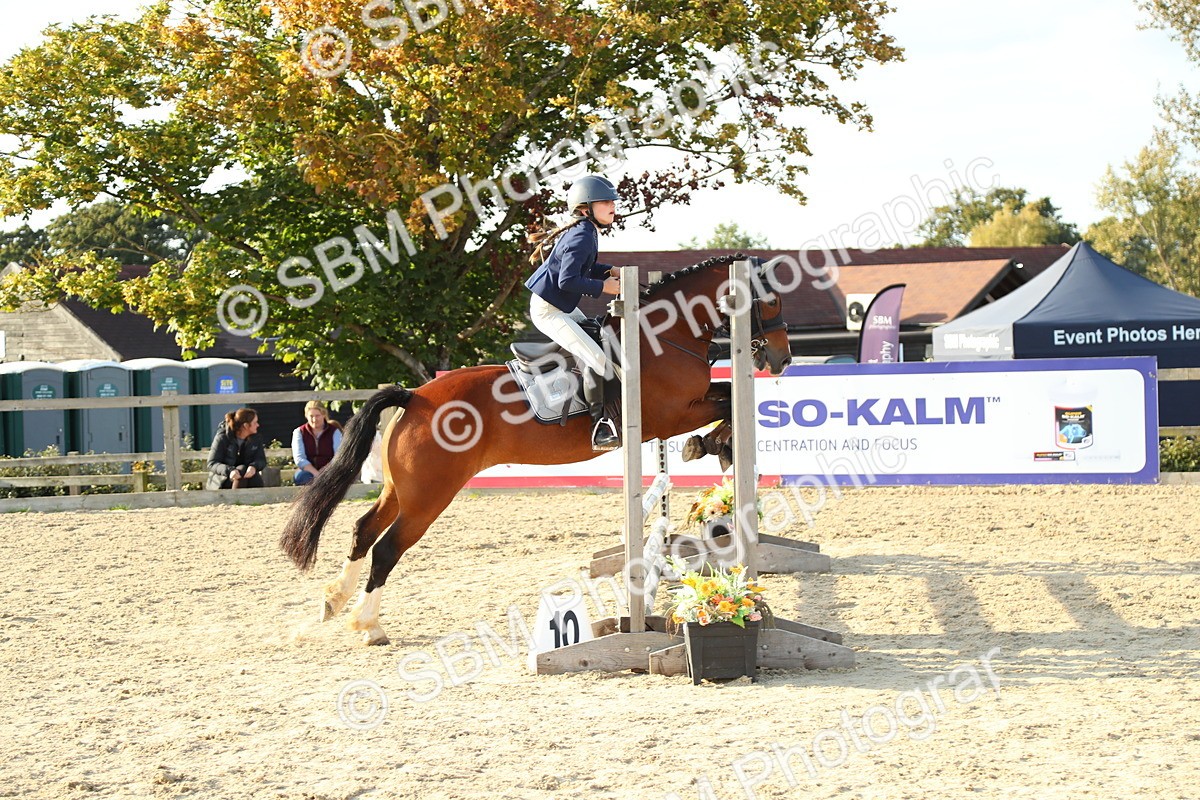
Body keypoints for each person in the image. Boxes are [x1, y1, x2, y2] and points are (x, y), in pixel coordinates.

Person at [524, 174, 623, 450]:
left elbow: (584, 267)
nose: (612, 205)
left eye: (612, 201)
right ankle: (599, 427)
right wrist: (604, 286)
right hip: (549, 311)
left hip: (561, 307)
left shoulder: (586, 231)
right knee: (599, 361)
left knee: (600, 336)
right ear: (585, 209)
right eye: (605, 202)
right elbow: (567, 281)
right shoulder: (582, 235)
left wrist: (607, 270)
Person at [206, 407, 267, 490]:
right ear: (245, 426)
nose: (258, 425)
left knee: (252, 475)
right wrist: (230, 471)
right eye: (255, 422)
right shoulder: (223, 437)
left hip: (247, 477)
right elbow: (212, 463)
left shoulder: (256, 438)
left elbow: (261, 460)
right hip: (225, 479)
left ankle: (257, 500)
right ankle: (236, 500)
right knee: (241, 469)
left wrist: (254, 466)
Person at [291, 400, 343, 486]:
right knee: (302, 477)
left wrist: (325, 473)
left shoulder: (335, 432)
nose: (314, 419)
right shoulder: (299, 432)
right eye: (311, 416)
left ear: (323, 415)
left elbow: (338, 455)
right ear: (306, 416)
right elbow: (300, 459)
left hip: (330, 469)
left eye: (317, 416)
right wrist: (317, 475)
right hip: (308, 471)